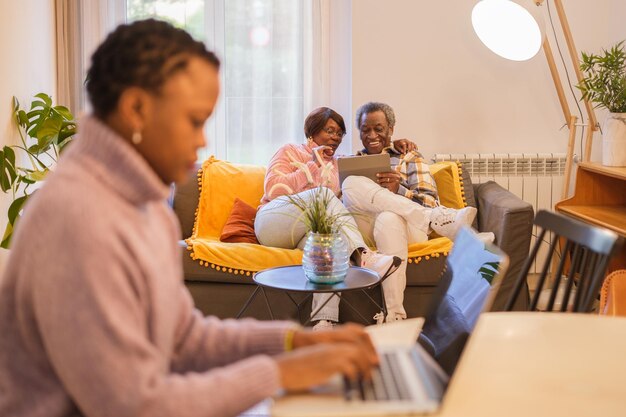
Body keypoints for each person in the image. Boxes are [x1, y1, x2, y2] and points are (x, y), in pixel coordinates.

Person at [0, 20, 380, 417]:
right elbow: (133, 405)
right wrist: (279, 374)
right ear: (136, 110)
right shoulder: (76, 217)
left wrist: (294, 343)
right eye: (194, 121)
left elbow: (182, 338)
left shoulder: (146, 210)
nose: (202, 141)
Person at [255, 107, 399, 331]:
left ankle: (324, 321)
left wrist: (396, 146)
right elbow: (274, 190)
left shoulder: (338, 165)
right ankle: (364, 256)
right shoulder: (290, 151)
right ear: (312, 131)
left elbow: (341, 208)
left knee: (329, 245)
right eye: (329, 130)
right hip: (273, 222)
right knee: (323, 197)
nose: (336, 137)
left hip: (305, 232)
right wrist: (312, 165)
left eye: (340, 133)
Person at [341, 102, 477, 323]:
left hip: (408, 227)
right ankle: (438, 219)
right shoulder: (349, 162)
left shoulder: (409, 157)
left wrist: (399, 190)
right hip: (364, 228)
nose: (372, 135)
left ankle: (394, 313)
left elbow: (431, 200)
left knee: (389, 217)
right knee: (350, 184)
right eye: (366, 129)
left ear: (391, 130)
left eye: (379, 128)